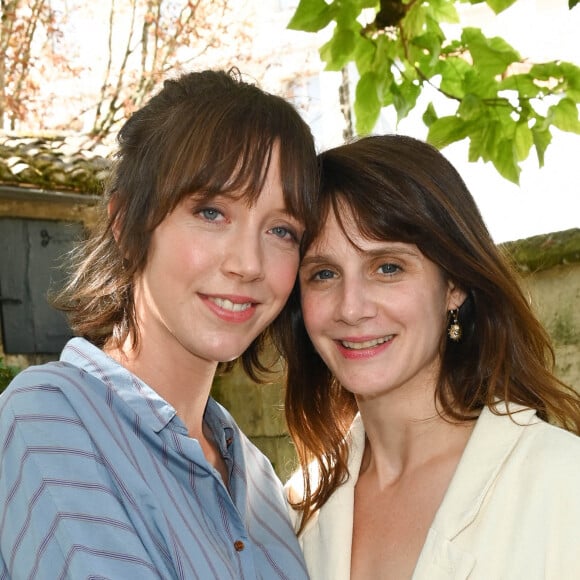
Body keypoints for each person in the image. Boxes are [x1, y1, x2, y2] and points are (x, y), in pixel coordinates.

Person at [0, 68, 318, 578]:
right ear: (128, 226)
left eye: (281, 229)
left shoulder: (259, 480)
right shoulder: (50, 419)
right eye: (212, 212)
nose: (249, 263)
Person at [278, 134, 580, 579]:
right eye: (324, 274)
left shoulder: (562, 481)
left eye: (388, 267)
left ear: (453, 286)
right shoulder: (294, 508)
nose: (351, 307)